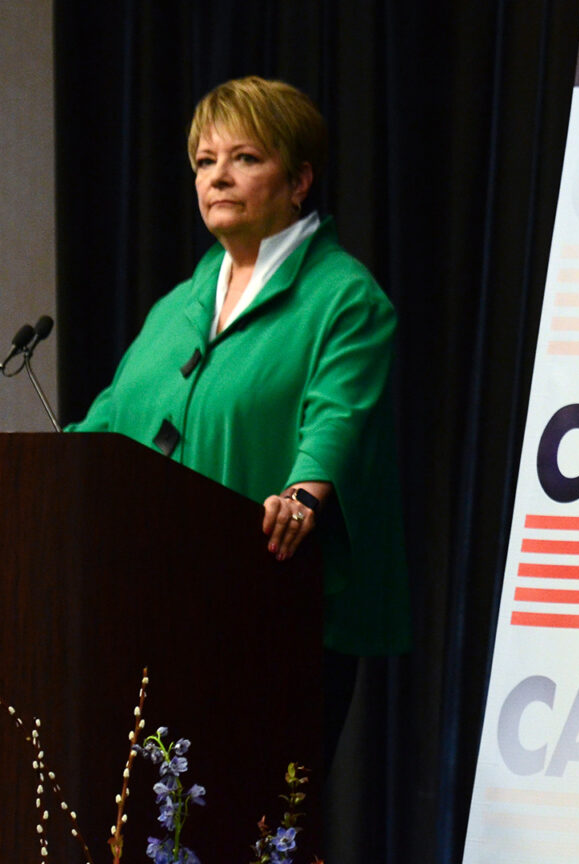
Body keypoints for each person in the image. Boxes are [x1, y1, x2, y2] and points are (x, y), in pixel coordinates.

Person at [68, 76, 411, 761]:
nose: (218, 176)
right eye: (204, 161)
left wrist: (301, 496)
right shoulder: (179, 305)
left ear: (300, 179)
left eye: (245, 158)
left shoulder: (344, 300)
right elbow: (106, 424)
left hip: (271, 614)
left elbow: (335, 420)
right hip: (153, 612)